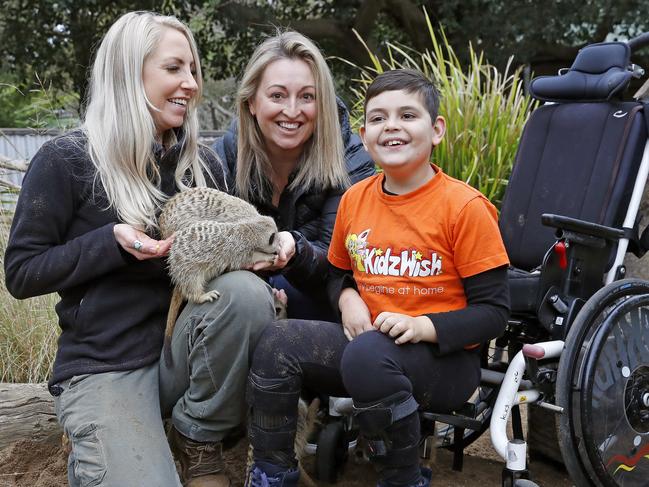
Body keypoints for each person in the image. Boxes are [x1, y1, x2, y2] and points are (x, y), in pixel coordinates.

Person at [3, 11, 257, 487]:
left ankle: (198, 434)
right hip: (105, 366)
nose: (191, 83)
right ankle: (101, 441)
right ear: (128, 72)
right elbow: (20, 273)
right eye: (174, 68)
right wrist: (109, 243)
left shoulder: (204, 165)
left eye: (193, 70)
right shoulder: (68, 159)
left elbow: (228, 270)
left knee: (248, 295)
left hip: (183, 356)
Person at [244, 69, 511, 487]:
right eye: (379, 118)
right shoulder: (356, 199)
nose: (392, 127)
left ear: (436, 129)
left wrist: (422, 326)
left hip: (444, 362)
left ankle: (403, 480)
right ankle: (273, 476)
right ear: (364, 134)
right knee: (277, 343)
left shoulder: (464, 208)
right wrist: (348, 298)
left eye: (408, 115)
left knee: (368, 355)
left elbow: (495, 313)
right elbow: (336, 275)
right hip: (367, 348)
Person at [212, 31, 375, 321]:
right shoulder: (224, 155)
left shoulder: (351, 159)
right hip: (243, 293)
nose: (292, 110)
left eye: (307, 97)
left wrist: (296, 251)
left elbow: (341, 264)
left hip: (321, 298)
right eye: (277, 95)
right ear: (251, 102)